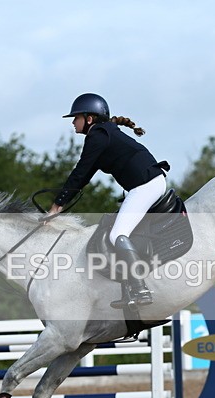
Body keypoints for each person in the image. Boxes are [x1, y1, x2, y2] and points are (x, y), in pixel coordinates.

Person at [48, 93, 169, 308]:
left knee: (117, 234)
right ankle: (128, 288)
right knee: (114, 229)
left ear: (89, 119)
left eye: (76, 118)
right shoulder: (104, 133)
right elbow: (84, 176)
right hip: (147, 183)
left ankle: (140, 288)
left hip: (146, 185)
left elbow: (79, 173)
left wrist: (57, 206)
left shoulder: (97, 136)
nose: (73, 123)